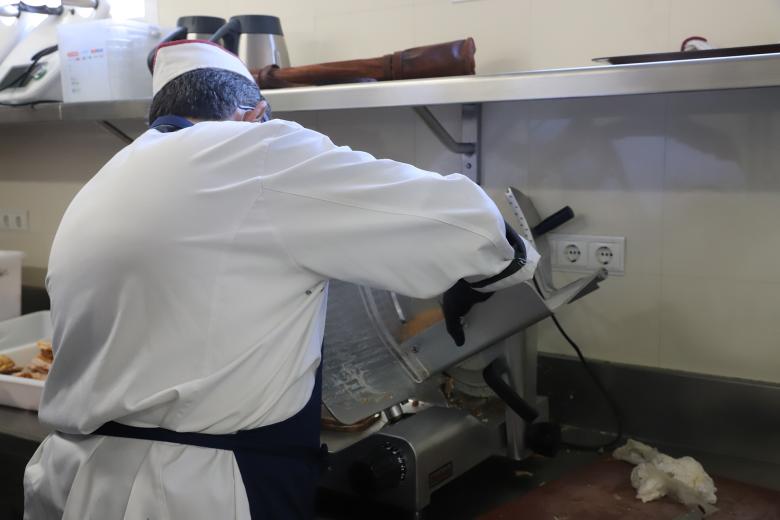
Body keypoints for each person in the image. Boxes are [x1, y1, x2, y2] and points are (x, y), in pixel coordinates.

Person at [23, 40, 539, 519]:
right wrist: (500, 266)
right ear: (255, 113)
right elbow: (468, 226)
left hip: (73, 474)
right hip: (188, 491)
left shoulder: (108, 177)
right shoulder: (257, 150)